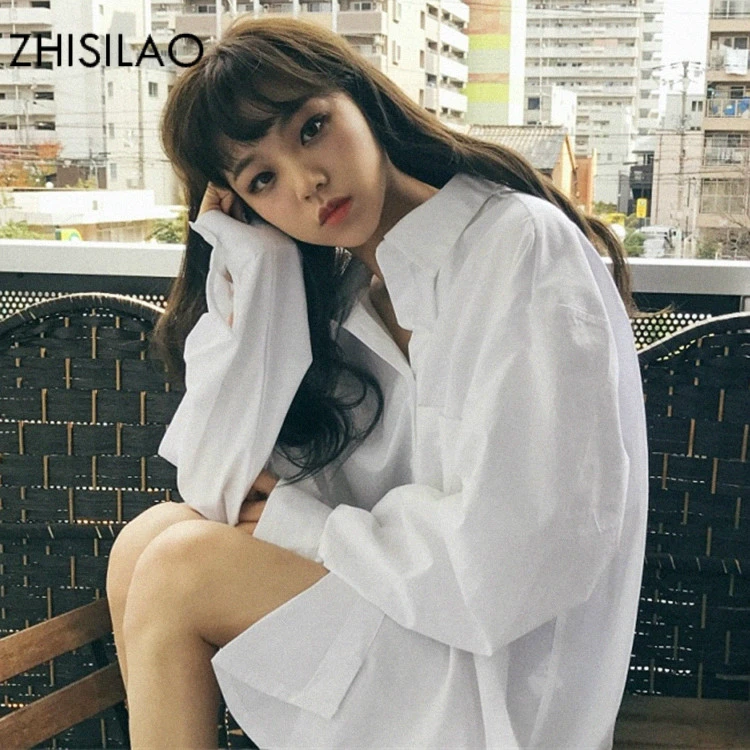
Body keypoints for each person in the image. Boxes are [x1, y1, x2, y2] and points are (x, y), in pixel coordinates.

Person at [106, 15, 648, 750]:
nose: (307, 182)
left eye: (311, 128)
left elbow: (518, 558)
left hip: (505, 670)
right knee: (145, 544)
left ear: (358, 97)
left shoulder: (517, 246)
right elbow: (214, 490)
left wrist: (308, 525)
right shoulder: (343, 301)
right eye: (262, 180)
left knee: (179, 572)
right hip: (416, 619)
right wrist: (257, 271)